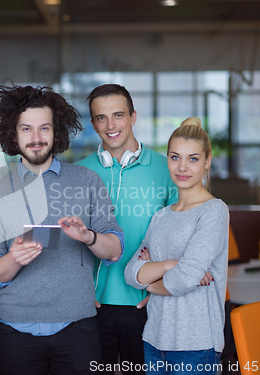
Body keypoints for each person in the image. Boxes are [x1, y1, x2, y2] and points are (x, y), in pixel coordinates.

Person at [0, 84, 124, 375]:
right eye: (26, 129)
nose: (36, 138)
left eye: (44, 128)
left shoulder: (87, 181)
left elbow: (116, 250)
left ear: (56, 132)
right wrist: (14, 258)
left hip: (78, 331)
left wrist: (88, 237)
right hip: (15, 335)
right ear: (13, 134)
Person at [76, 84, 177, 373]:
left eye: (118, 115)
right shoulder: (79, 173)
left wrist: (162, 288)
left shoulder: (167, 169)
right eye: (101, 118)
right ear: (93, 123)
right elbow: (68, 240)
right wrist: (79, 290)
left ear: (133, 117)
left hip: (147, 303)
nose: (111, 125)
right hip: (93, 306)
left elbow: (181, 234)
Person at [124, 117, 229, 375]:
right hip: (154, 339)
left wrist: (151, 279)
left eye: (193, 158)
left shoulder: (214, 211)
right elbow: (130, 273)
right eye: (175, 157)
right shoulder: (161, 216)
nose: (182, 167)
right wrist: (172, 265)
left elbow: (183, 280)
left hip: (196, 345)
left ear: (207, 161)